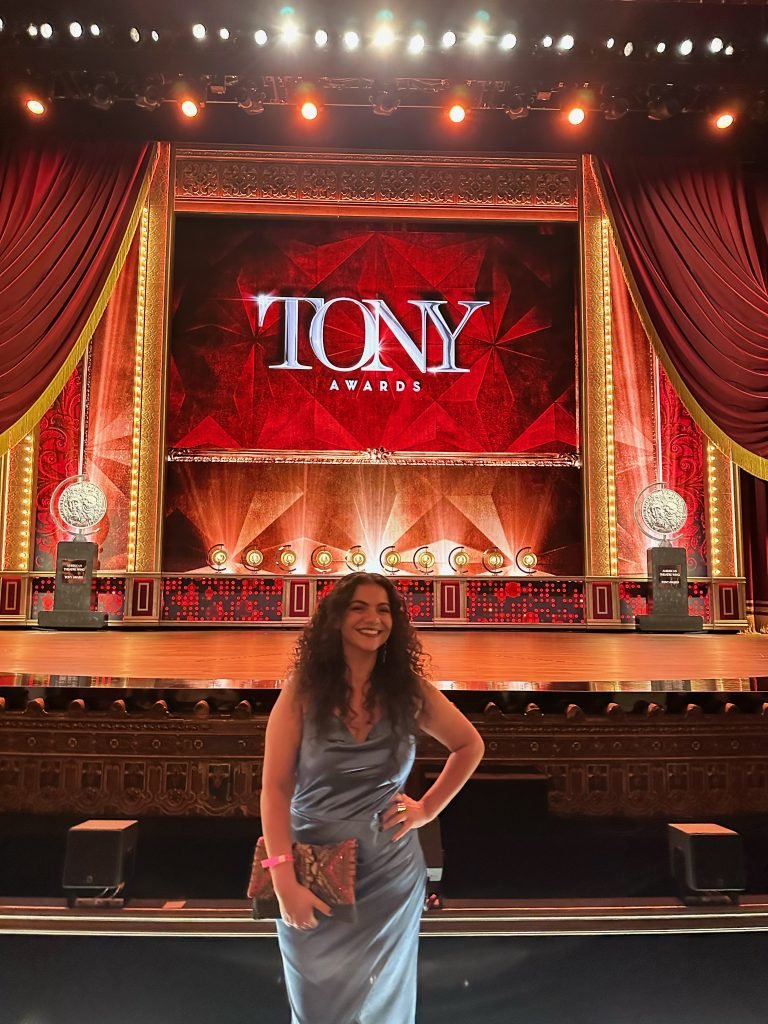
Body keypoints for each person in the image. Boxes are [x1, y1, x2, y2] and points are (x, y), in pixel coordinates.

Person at [260, 571, 484, 1024]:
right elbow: (275, 789)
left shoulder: (408, 690)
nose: (373, 619)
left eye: (383, 610)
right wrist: (283, 881)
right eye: (359, 607)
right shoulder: (303, 691)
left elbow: (469, 745)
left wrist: (426, 810)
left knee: (384, 1003)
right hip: (313, 868)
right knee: (318, 1007)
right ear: (337, 619)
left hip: (389, 873)